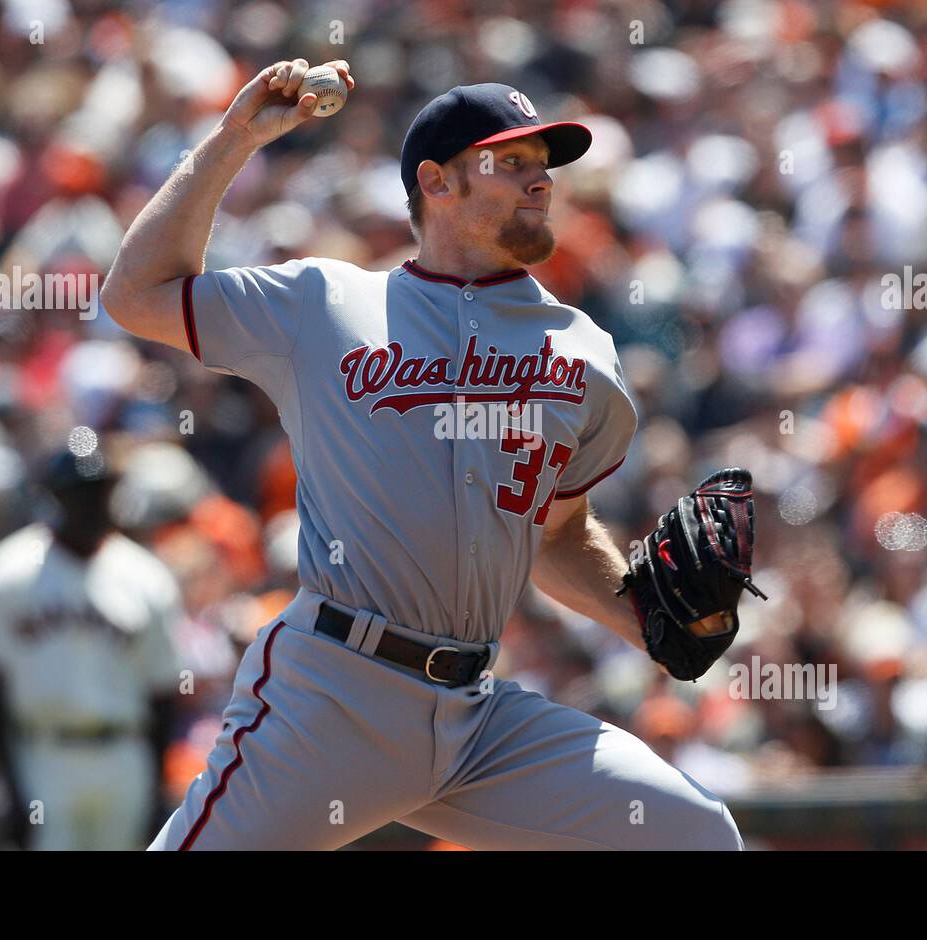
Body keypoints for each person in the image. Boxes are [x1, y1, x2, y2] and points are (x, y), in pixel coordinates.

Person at [101, 58, 744, 849]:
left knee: (693, 835)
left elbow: (556, 536)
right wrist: (236, 139)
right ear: (435, 182)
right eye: (508, 163)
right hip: (332, 697)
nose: (537, 181)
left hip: (478, 719)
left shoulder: (583, 353)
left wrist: (647, 621)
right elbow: (135, 294)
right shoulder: (326, 303)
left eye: (542, 165)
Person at [0, 444, 180, 849]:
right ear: (55, 497)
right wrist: (10, 788)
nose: (91, 502)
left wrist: (156, 788)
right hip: (43, 754)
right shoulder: (8, 572)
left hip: (123, 754)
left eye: (98, 489)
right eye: (78, 491)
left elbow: (163, 692)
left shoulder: (146, 577)